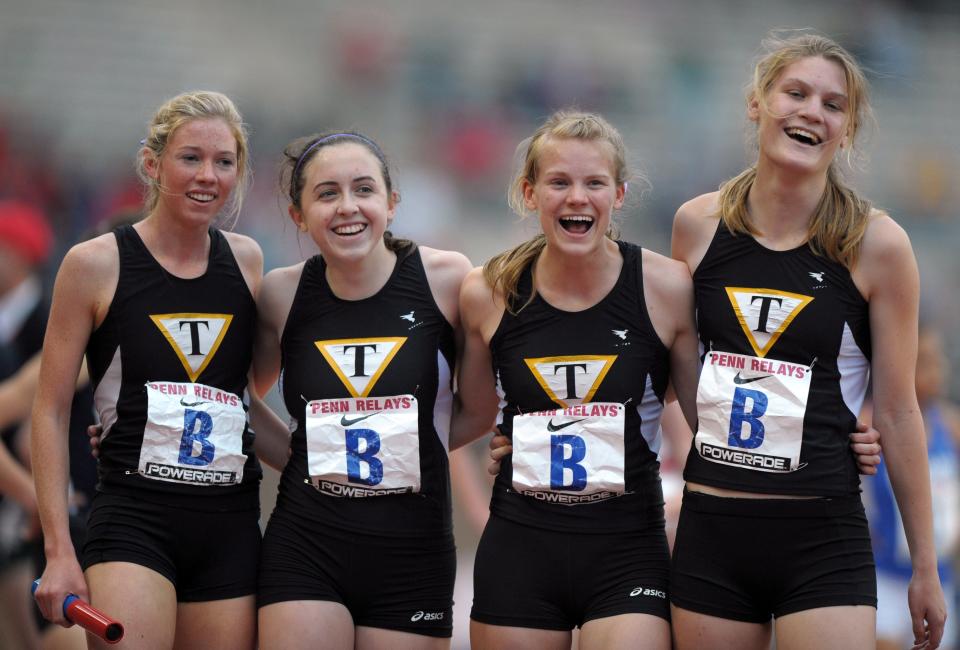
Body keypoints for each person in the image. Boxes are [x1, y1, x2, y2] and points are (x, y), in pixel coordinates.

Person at [668, 32, 946, 649]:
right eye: (795, 93)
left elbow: (899, 411)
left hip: (822, 531)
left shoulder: (878, 246)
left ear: (846, 131)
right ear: (756, 103)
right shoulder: (696, 225)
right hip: (713, 527)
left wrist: (925, 565)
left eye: (833, 104)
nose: (811, 112)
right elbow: (667, 370)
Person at [32, 90, 266, 649]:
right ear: (152, 163)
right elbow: (49, 407)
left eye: (224, 162)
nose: (207, 175)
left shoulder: (249, 261)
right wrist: (59, 549)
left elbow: (244, 402)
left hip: (229, 524)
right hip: (135, 518)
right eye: (190, 157)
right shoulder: (93, 264)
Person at [459, 110, 701, 650]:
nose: (576, 198)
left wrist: (832, 430)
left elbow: (704, 412)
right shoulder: (488, 292)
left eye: (594, 183)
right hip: (520, 547)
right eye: (559, 182)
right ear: (529, 192)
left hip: (628, 549)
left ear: (618, 194)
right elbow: (468, 416)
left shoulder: (665, 286)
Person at [253, 131, 487, 649]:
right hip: (305, 543)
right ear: (298, 214)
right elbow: (232, 399)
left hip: (412, 551)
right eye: (327, 193)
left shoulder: (449, 279)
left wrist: (415, 446)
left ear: (391, 202)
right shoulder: (280, 294)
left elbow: (483, 406)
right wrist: (302, 454)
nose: (347, 207)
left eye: (363, 189)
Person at [864, 325, 960, 650]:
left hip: (939, 581)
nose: (939, 370)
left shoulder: (950, 426)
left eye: (940, 360)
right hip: (887, 579)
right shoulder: (870, 421)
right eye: (928, 361)